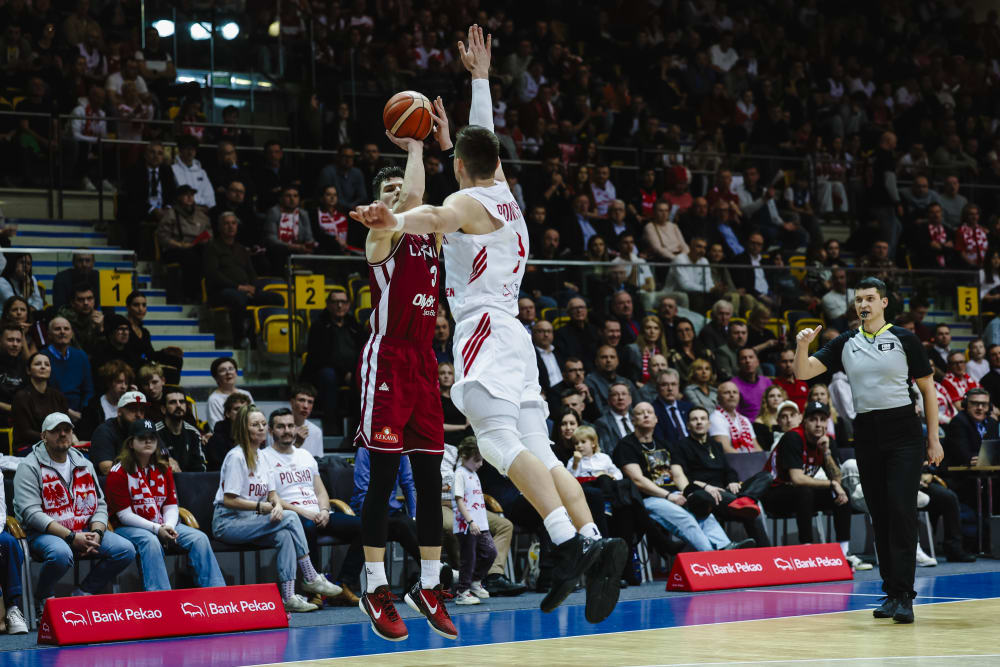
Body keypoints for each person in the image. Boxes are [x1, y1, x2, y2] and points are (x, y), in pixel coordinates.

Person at [350, 25, 626, 625]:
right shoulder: (505, 195)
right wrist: (478, 82)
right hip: (515, 334)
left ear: (460, 166)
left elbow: (435, 213)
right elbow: (483, 143)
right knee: (539, 451)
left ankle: (567, 543)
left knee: (498, 446)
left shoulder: (466, 205)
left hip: (483, 331)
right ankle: (592, 538)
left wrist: (392, 218)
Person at [350, 107, 456, 643]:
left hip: (423, 361)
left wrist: (435, 143)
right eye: (388, 191)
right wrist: (415, 146)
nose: (399, 196)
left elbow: (429, 200)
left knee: (432, 478)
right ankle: (375, 587)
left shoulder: (429, 233)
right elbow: (412, 198)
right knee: (385, 477)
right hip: (388, 357)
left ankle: (429, 585)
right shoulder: (380, 237)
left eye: (401, 188)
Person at [794, 276, 942, 624]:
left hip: (904, 431)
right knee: (880, 512)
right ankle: (891, 592)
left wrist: (933, 439)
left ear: (884, 302)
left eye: (870, 298)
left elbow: (928, 389)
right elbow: (803, 372)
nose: (864, 304)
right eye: (859, 299)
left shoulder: (905, 338)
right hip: (866, 431)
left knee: (901, 509)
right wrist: (803, 346)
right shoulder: (846, 342)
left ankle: (904, 594)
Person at [212, 405, 341, 612]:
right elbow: (229, 500)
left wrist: (278, 506)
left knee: (285, 535)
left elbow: (272, 494)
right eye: (255, 424)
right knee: (291, 518)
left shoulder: (263, 456)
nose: (261, 428)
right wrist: (260, 506)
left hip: (252, 519)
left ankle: (288, 597)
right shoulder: (237, 457)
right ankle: (310, 576)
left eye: (264, 424)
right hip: (228, 522)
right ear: (244, 428)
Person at [13, 412, 135, 604]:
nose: (63, 434)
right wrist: (71, 537)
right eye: (56, 430)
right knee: (61, 554)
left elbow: (99, 504)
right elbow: (31, 513)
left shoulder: (84, 464)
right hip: (43, 533)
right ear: (44, 436)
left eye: (67, 430)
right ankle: (43, 598)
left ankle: (84, 592)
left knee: (125, 549)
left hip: (83, 528)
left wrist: (97, 533)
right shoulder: (29, 466)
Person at [105, 419, 224, 591]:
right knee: (150, 541)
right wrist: (157, 529)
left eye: (152, 438)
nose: (148, 441)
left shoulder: (163, 468)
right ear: (131, 443)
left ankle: (216, 593)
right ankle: (160, 597)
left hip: (162, 523)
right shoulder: (118, 472)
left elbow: (170, 505)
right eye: (142, 438)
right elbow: (124, 515)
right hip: (127, 527)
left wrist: (168, 527)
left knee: (199, 538)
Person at [614, 402, 749, 551]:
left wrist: (689, 494)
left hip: (675, 494)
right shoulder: (626, 445)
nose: (646, 415)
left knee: (703, 511)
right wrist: (668, 496)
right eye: (640, 413)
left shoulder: (664, 444)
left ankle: (725, 547)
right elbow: (637, 480)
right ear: (633, 420)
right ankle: (712, 557)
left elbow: (678, 474)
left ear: (656, 419)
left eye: (649, 412)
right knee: (686, 519)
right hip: (649, 498)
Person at [260, 409, 361, 605]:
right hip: (291, 516)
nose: (287, 430)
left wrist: (324, 511)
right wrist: (305, 512)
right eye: (281, 426)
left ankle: (344, 584)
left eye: (290, 426)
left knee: (363, 526)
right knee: (307, 526)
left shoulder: (305, 455)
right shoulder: (264, 457)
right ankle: (314, 588)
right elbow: (272, 497)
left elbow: (320, 491)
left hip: (319, 514)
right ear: (271, 431)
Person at [761, 401, 862, 566]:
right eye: (813, 419)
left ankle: (844, 552)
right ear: (804, 421)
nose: (818, 424)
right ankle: (807, 552)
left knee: (841, 492)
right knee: (805, 490)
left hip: (800, 495)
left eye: (822, 419)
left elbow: (836, 480)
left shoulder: (827, 441)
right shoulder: (793, 437)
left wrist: (826, 452)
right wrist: (832, 484)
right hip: (773, 493)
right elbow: (797, 478)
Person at [672, 406, 770, 546]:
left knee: (765, 476)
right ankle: (763, 548)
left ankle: (745, 500)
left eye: (703, 419)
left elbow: (728, 470)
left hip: (726, 492)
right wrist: (705, 487)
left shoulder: (716, 445)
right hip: (706, 495)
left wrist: (732, 481)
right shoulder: (681, 446)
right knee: (750, 510)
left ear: (709, 424)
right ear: (688, 425)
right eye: (694, 419)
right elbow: (682, 477)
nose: (699, 422)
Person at [203, 212, 284, 346]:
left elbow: (252, 273)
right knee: (238, 298)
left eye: (233, 223)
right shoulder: (212, 247)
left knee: (277, 298)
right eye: (226, 223)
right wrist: (238, 287)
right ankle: (240, 339)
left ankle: (256, 337)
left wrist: (253, 288)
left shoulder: (241, 249)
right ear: (219, 227)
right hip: (221, 291)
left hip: (245, 290)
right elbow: (213, 274)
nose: (231, 226)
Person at [300, 288, 362, 433]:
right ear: (328, 304)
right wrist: (344, 373)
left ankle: (358, 429)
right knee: (328, 376)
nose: (339, 306)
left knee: (365, 378)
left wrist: (354, 372)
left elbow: (364, 351)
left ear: (348, 305)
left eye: (343, 302)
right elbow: (319, 357)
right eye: (335, 302)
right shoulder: (318, 326)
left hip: (353, 372)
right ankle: (331, 426)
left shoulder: (355, 326)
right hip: (326, 372)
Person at [450, 440, 497, 605]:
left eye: (481, 459)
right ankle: (462, 592)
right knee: (468, 559)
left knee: (490, 552)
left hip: (481, 524)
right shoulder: (460, 474)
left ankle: (475, 581)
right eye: (477, 460)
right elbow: (459, 500)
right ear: (464, 456)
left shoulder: (474, 473)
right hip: (466, 526)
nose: (480, 464)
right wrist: (470, 521)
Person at [11, 353, 68, 455]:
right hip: (28, 447)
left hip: (57, 444)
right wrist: (53, 437)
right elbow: (25, 432)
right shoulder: (21, 397)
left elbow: (66, 425)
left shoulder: (58, 396)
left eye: (47, 364)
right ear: (28, 370)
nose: (43, 367)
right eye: (38, 364)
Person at [41, 317, 92, 422]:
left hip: (80, 415)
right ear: (49, 334)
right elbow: (43, 394)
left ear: (71, 334)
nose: (62, 332)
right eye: (57, 329)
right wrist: (66, 411)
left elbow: (88, 390)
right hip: (52, 414)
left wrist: (84, 412)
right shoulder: (42, 357)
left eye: (66, 329)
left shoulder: (81, 356)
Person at [90, 391, 149, 475]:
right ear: (119, 411)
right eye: (133, 409)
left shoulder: (146, 429)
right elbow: (106, 469)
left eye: (142, 410)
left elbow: (164, 459)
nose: (138, 415)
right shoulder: (104, 431)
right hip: (112, 481)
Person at [155, 388, 207, 472]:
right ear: (163, 409)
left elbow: (200, 467)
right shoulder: (155, 433)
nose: (179, 405)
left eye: (182, 402)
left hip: (189, 479)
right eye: (173, 402)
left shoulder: (193, 433)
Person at [78, 359, 132, 440]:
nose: (123, 386)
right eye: (119, 382)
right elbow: (86, 436)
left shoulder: (129, 405)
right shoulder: (94, 407)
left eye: (126, 383)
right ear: (109, 382)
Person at [709, 381, 762, 453]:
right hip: (731, 459)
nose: (732, 395)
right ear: (718, 397)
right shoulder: (715, 418)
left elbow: (756, 447)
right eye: (727, 392)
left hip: (749, 458)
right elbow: (725, 448)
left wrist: (762, 458)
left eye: (735, 392)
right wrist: (749, 459)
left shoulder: (744, 420)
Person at [206, 392, 250, 472]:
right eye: (237, 409)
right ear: (227, 413)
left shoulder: (254, 435)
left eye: (245, 409)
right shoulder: (217, 439)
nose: (241, 412)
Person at [206, 357, 253, 430]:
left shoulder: (246, 394)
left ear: (236, 373)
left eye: (231, 369)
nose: (228, 372)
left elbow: (254, 419)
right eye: (223, 370)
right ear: (216, 377)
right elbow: (216, 428)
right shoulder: (214, 400)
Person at [651, 370, 693, 444]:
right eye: (664, 385)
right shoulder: (653, 411)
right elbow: (660, 441)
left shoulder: (688, 407)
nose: (670, 388)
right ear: (657, 387)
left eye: (673, 384)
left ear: (678, 386)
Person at [731, 348, 772, 420]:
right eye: (743, 358)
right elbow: (733, 413)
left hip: (767, 422)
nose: (748, 361)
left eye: (751, 357)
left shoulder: (766, 381)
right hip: (745, 424)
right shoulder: (733, 385)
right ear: (738, 364)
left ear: (757, 362)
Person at [0, 325, 26, 428]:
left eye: (18, 341)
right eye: (10, 340)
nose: (15, 344)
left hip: (21, 422)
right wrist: (10, 408)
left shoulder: (25, 366)